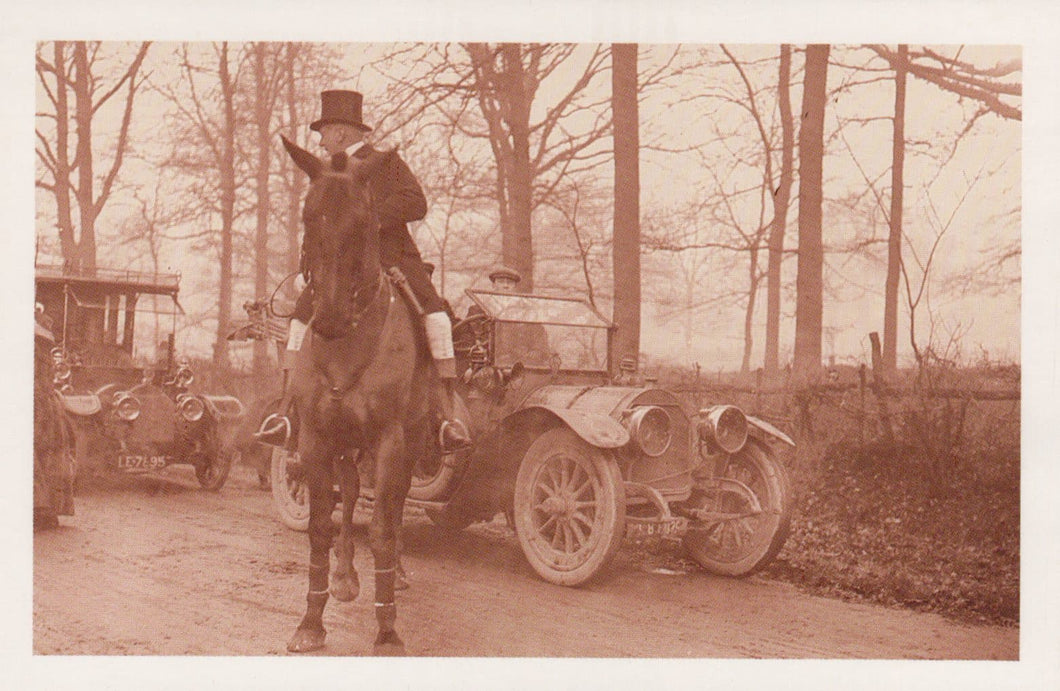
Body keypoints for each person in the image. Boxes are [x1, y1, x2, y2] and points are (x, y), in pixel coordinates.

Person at [261, 89, 469, 452]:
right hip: (338, 265)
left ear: (341, 132)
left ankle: (446, 415)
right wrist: (305, 267)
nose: (321, 141)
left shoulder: (383, 162)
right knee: (298, 321)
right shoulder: (323, 171)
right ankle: (287, 412)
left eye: (323, 132)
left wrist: (371, 222)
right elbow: (318, 226)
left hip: (392, 258)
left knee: (436, 317)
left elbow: (415, 202)